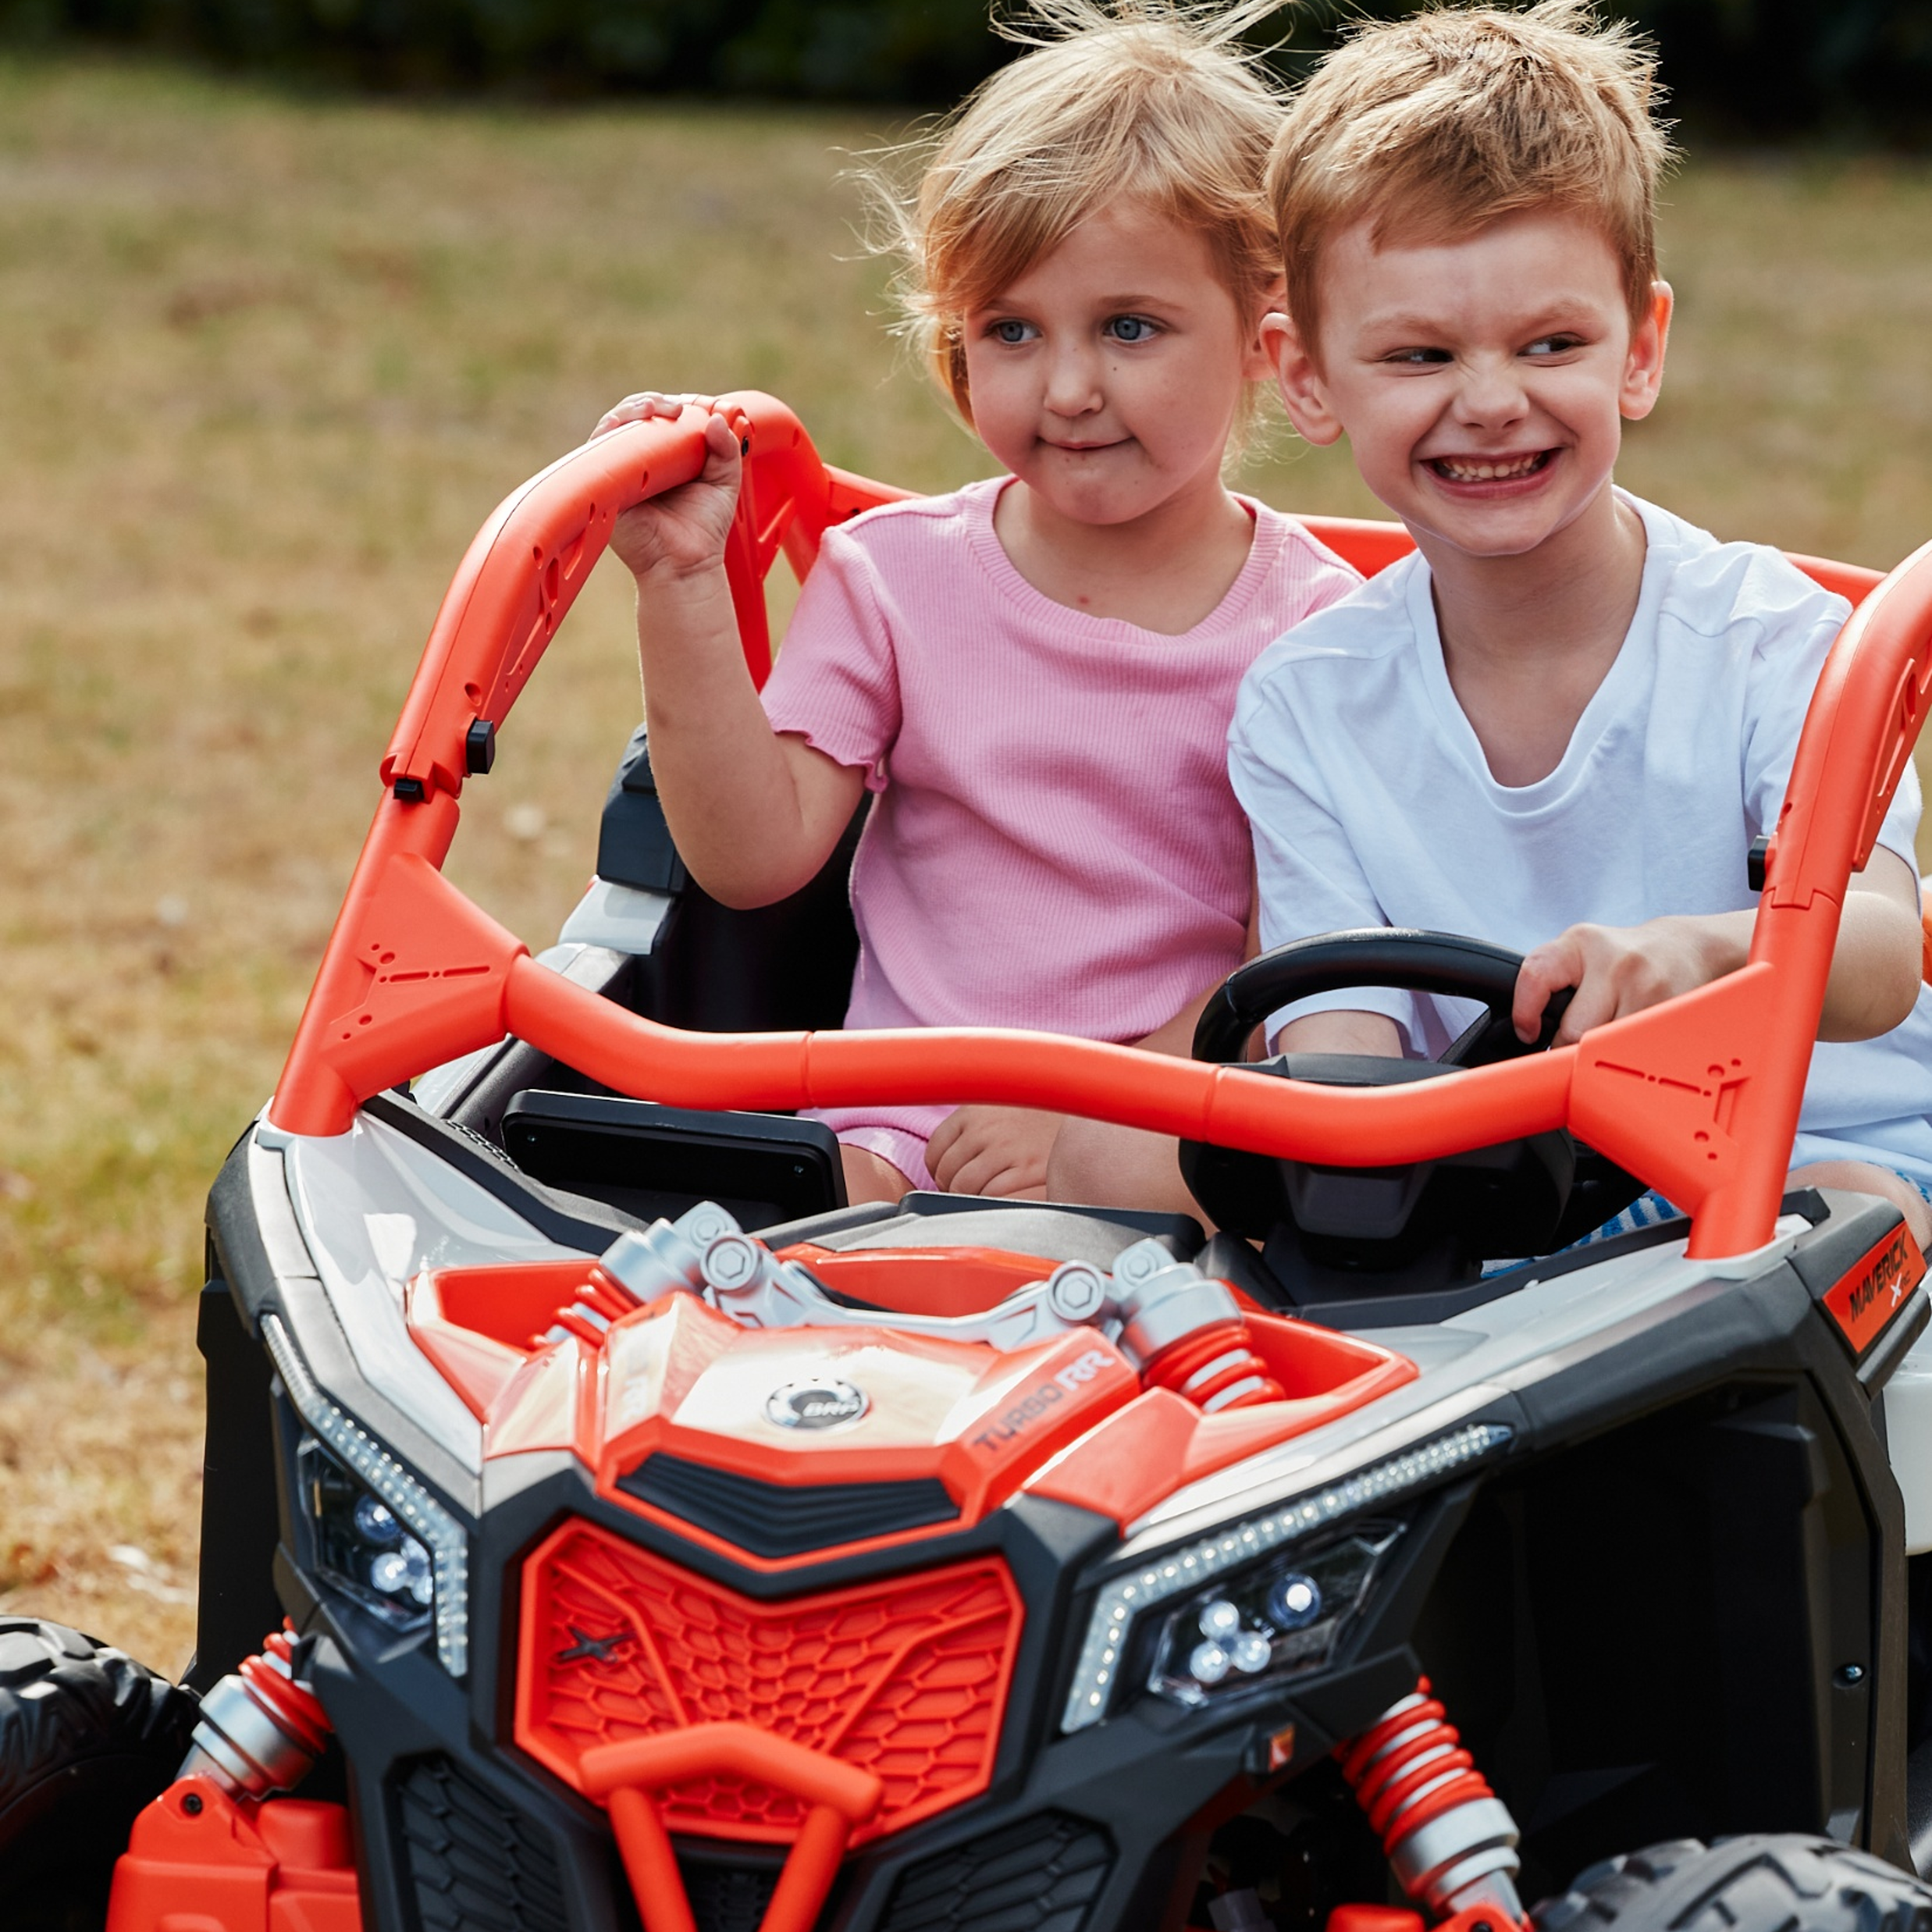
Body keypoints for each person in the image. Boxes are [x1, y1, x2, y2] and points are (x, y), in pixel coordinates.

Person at [1051, 0, 1932, 1246]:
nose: (1489, 402)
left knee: (1834, 1223)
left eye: (1551, 342)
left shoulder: (1770, 643)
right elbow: (1342, 1047)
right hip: (1503, 1181)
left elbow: (1883, 952)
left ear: (1639, 349)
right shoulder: (1308, 701)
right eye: (1416, 356)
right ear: (1304, 376)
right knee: (1107, 1148)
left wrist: (1703, 952)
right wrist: (1340, 1161)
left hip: (1817, 1154)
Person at [594, 0, 1360, 1206]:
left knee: (1278, 1205)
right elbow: (750, 862)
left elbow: (1288, 965)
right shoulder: (890, 578)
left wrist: (1093, 1124)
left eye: (1128, 327)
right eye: (1011, 329)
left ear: (1267, 339)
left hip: (1167, 1118)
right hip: (899, 1126)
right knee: (783, 1247)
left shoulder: (1320, 628)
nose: (1066, 387)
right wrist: (681, 583)